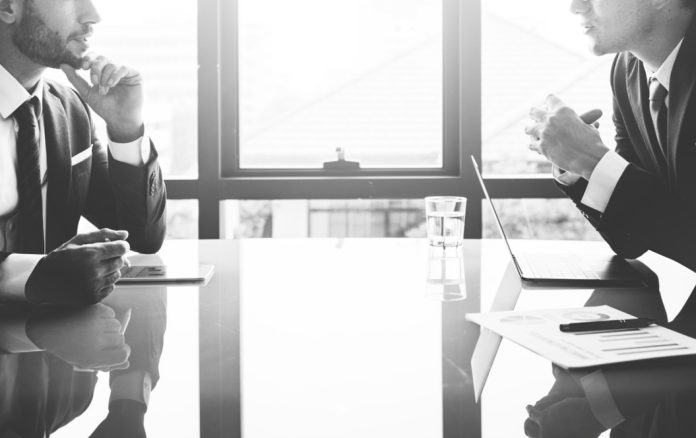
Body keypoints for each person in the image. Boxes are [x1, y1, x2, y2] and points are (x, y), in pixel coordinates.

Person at [0, 0, 167, 305]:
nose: (93, 16)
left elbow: (142, 236)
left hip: (60, 330)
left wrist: (126, 128)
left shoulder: (70, 108)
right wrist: (30, 275)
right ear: (8, 7)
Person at [525, 0, 696, 271]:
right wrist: (578, 164)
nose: (575, 7)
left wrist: (592, 160)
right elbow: (631, 239)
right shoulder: (626, 70)